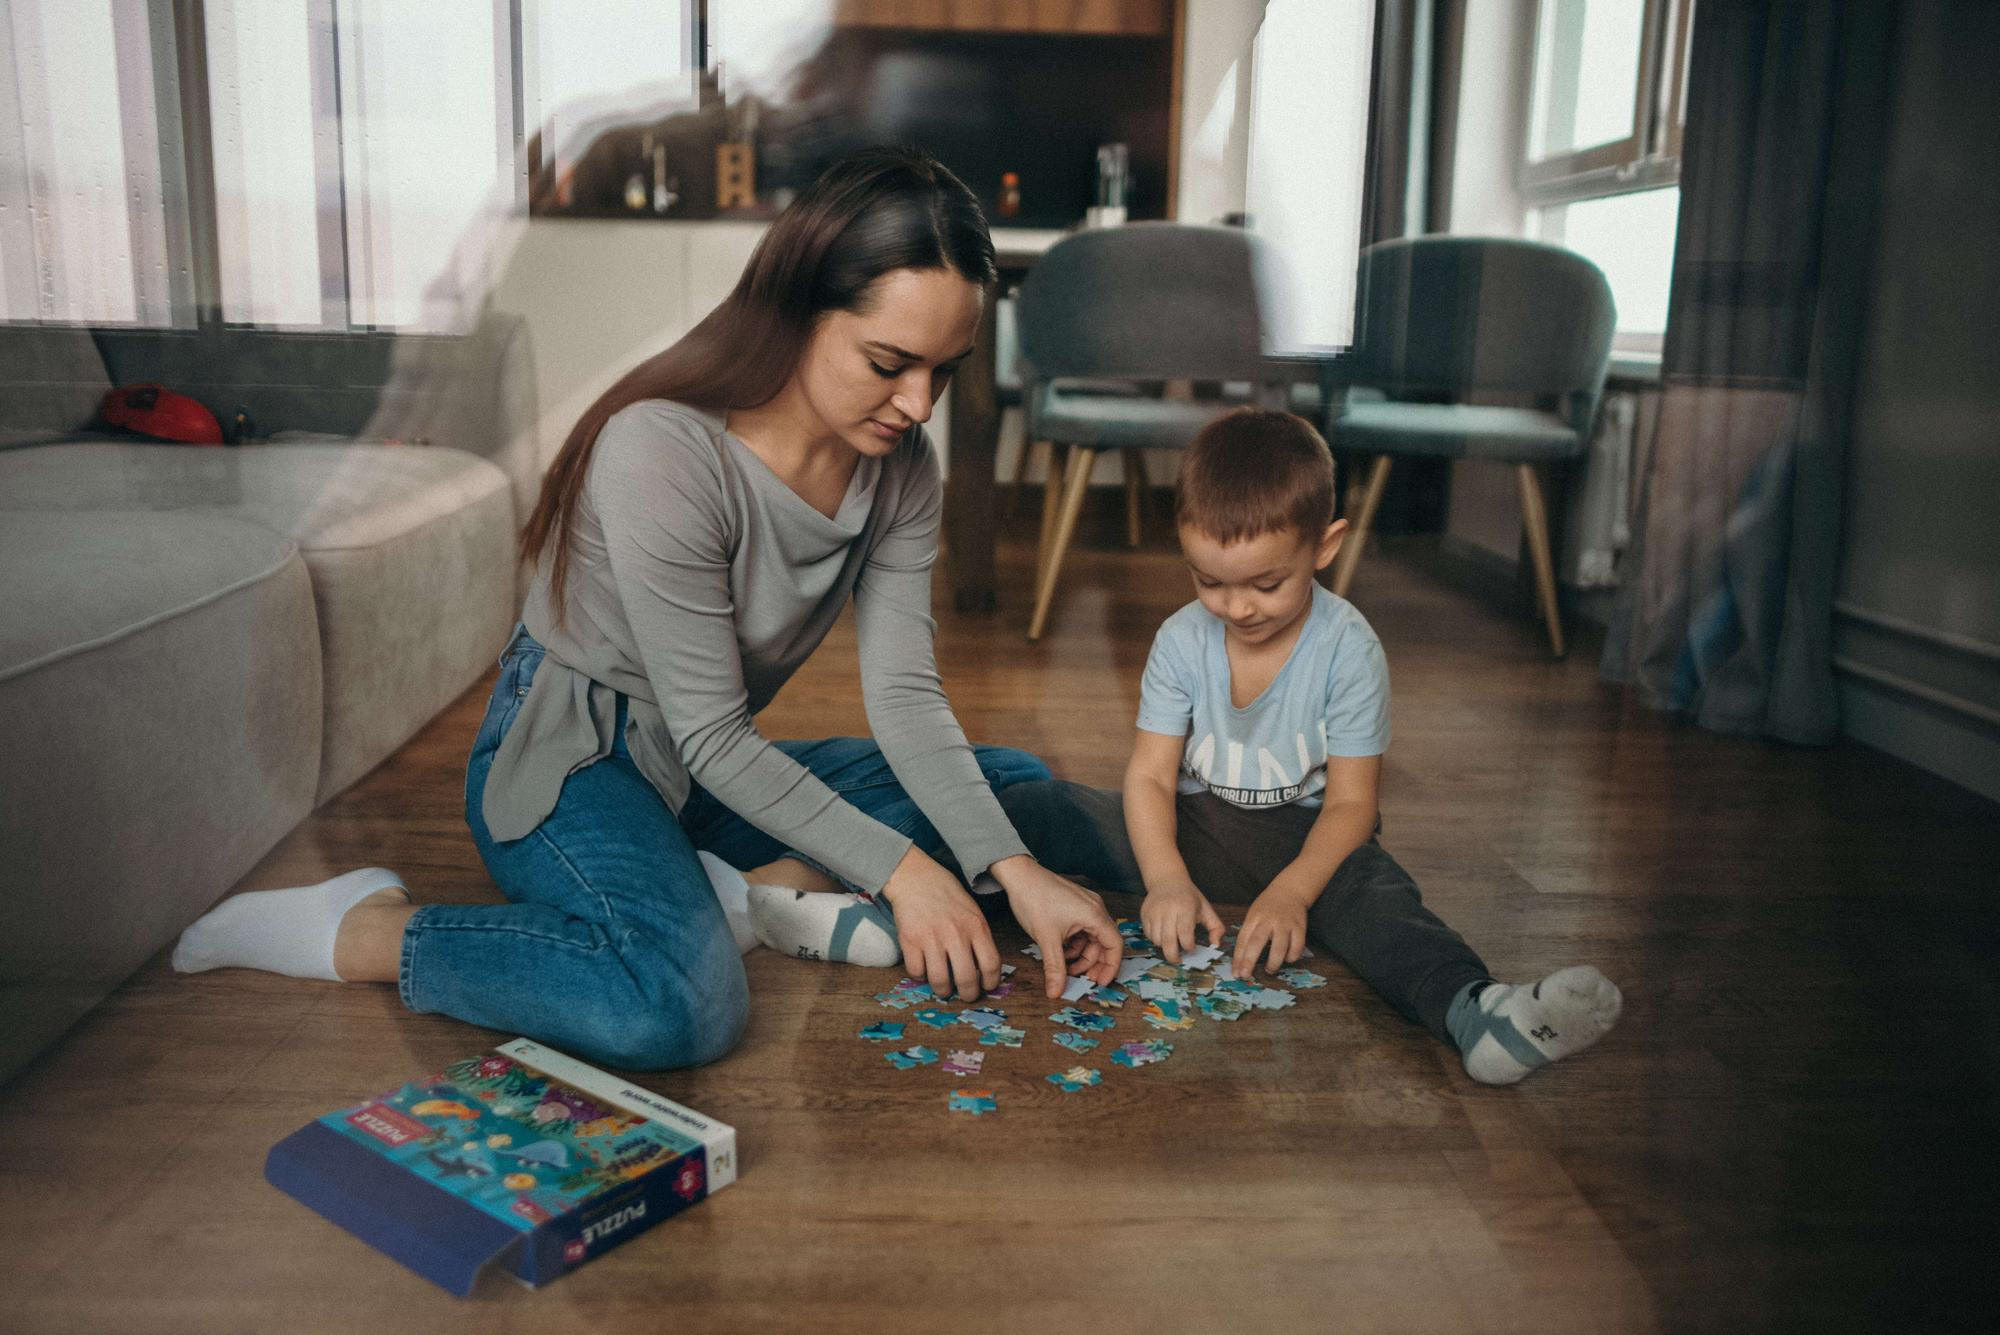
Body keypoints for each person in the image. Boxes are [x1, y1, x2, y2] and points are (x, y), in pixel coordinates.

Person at [172, 148, 1123, 1069]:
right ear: (797, 310)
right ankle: (373, 929)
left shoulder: (901, 467)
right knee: (678, 1001)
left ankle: (737, 891)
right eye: (889, 362)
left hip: (703, 771)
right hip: (573, 759)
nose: (919, 404)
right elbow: (714, 734)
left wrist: (1013, 870)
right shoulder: (662, 448)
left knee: (1012, 793)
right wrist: (908, 874)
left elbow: (905, 698)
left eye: (944, 370)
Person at [995, 409, 1622, 1084]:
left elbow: (1353, 805)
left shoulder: (1349, 649)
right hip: (1191, 827)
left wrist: (1293, 892)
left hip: (1312, 845)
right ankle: (931, 879)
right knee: (1045, 806)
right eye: (1209, 581)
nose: (1237, 607)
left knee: (1384, 907)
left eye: (1266, 584)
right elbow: (1149, 777)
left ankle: (1478, 1014)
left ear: (1325, 546)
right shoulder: (1180, 639)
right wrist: (1167, 878)